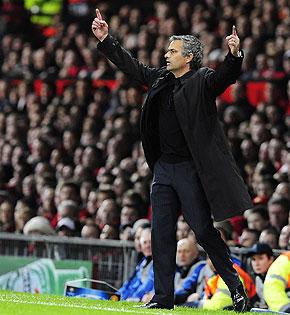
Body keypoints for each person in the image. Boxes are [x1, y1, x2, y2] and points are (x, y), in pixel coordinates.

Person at [92, 9, 252, 311]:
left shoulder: (202, 81)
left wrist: (235, 54)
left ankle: (236, 288)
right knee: (160, 233)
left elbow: (225, 77)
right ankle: (163, 299)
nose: (167, 55)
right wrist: (106, 40)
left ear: (188, 57)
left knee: (203, 231)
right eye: (168, 50)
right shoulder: (161, 79)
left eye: (173, 51)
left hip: (190, 169)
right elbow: (133, 68)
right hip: (163, 169)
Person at [118, 227, 154, 301]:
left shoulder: (157, 263)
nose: (148, 246)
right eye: (145, 242)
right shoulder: (142, 262)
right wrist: (118, 295)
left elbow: (148, 284)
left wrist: (132, 298)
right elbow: (132, 284)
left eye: (150, 242)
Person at [246, 242, 275, 308]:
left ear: (271, 259)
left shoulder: (279, 276)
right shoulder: (257, 277)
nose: (256, 263)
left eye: (260, 258)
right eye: (253, 259)